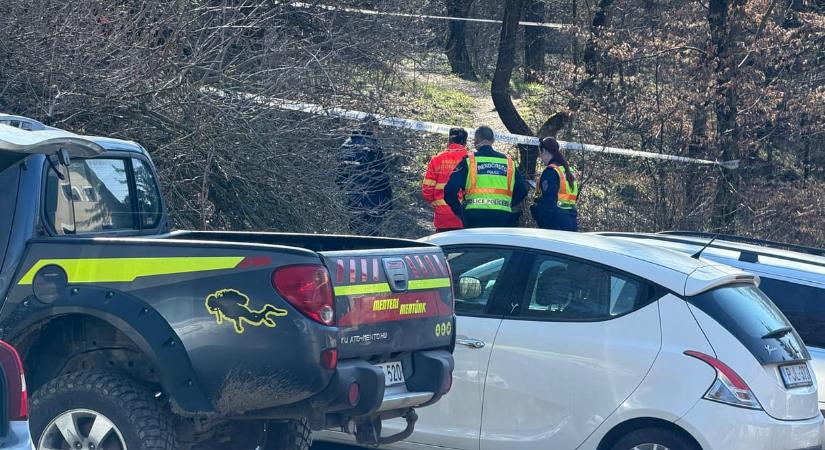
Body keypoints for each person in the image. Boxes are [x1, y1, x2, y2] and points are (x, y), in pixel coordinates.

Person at [444, 125, 528, 228]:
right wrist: (507, 204)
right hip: (502, 217)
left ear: (476, 141)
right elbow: (522, 190)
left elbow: (449, 190)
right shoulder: (508, 162)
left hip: (474, 217)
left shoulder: (469, 161)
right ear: (493, 140)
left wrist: (460, 212)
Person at [336, 116, 392, 236]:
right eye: (377, 129)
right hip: (371, 199)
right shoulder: (373, 146)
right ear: (373, 128)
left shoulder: (346, 144)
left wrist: (342, 190)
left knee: (354, 232)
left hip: (350, 197)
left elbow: (340, 172)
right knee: (371, 236)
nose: (378, 133)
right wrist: (388, 198)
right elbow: (380, 175)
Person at [422, 128, 470, 233]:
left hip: (442, 217)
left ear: (449, 140)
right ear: (465, 142)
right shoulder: (471, 160)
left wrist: (437, 204)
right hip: (466, 217)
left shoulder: (436, 159)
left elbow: (427, 190)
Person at [530, 137, 579, 231]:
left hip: (555, 225)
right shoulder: (569, 171)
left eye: (540, 154)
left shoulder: (551, 171)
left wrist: (541, 219)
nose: (541, 158)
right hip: (571, 221)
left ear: (544, 151)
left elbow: (549, 202)